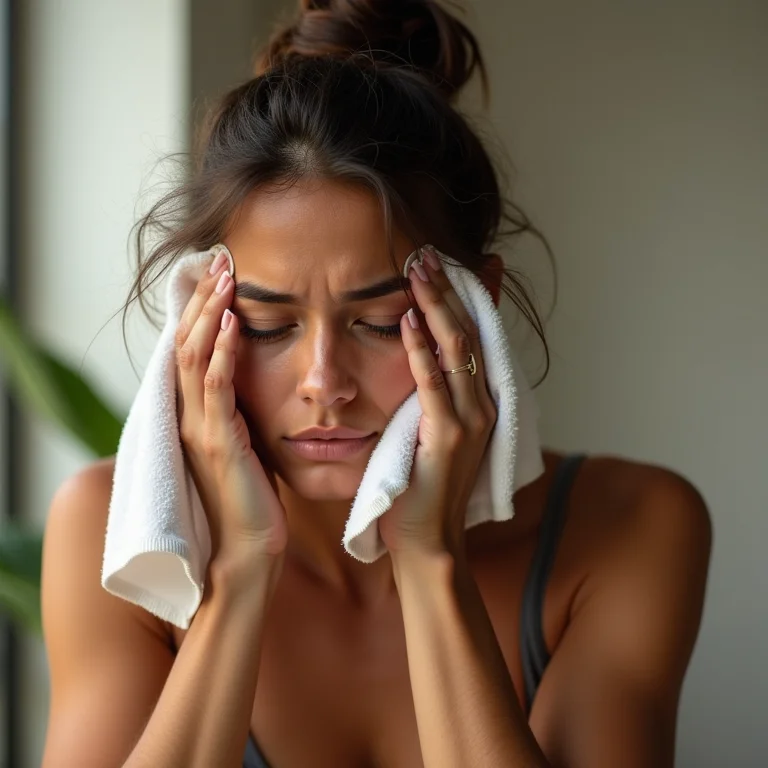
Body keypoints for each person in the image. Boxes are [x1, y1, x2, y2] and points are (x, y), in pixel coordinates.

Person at [39, 2, 712, 766]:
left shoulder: (629, 527)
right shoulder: (101, 528)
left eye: (383, 322)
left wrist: (430, 560)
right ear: (199, 319)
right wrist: (239, 573)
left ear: (474, 312)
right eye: (267, 325)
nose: (324, 383)